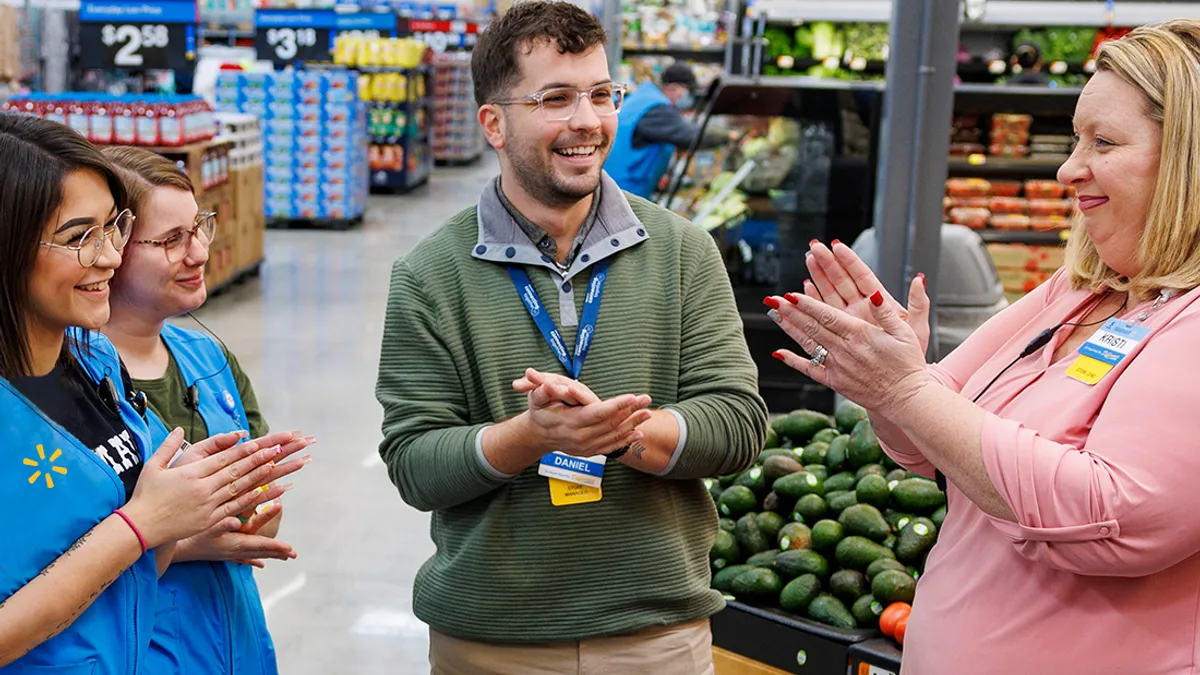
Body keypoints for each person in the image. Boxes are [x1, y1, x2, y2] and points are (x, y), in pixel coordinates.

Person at [765, 19, 1200, 675]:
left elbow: (1115, 516)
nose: (1067, 168)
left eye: (1102, 142)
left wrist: (907, 388)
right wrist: (891, 374)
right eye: (1076, 139)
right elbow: (923, 444)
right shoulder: (1079, 291)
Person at [374, 2, 767, 673]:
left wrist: (620, 433)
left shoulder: (683, 252)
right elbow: (415, 461)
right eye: (556, 98)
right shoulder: (430, 274)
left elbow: (737, 424)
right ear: (493, 123)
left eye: (601, 93)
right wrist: (532, 436)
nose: (588, 120)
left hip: (657, 636)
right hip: (490, 643)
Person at [0, 114, 307, 673]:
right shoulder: (42, 391)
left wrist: (199, 499)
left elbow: (125, 563)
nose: (109, 257)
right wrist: (147, 524)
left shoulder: (92, 373)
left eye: (112, 229)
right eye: (80, 238)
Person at [100, 146, 299, 675]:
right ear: (110, 249)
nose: (200, 253)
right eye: (171, 240)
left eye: (200, 227)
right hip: (140, 651)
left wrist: (260, 507)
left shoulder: (208, 358)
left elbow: (257, 503)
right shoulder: (68, 379)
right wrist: (188, 543)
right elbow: (55, 556)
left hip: (235, 642)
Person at [605, 62, 739, 198]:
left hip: (619, 184)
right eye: (689, 92)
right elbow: (688, 136)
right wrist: (729, 136)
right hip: (623, 190)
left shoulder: (643, 98)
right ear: (674, 88)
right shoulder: (657, 108)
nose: (691, 98)